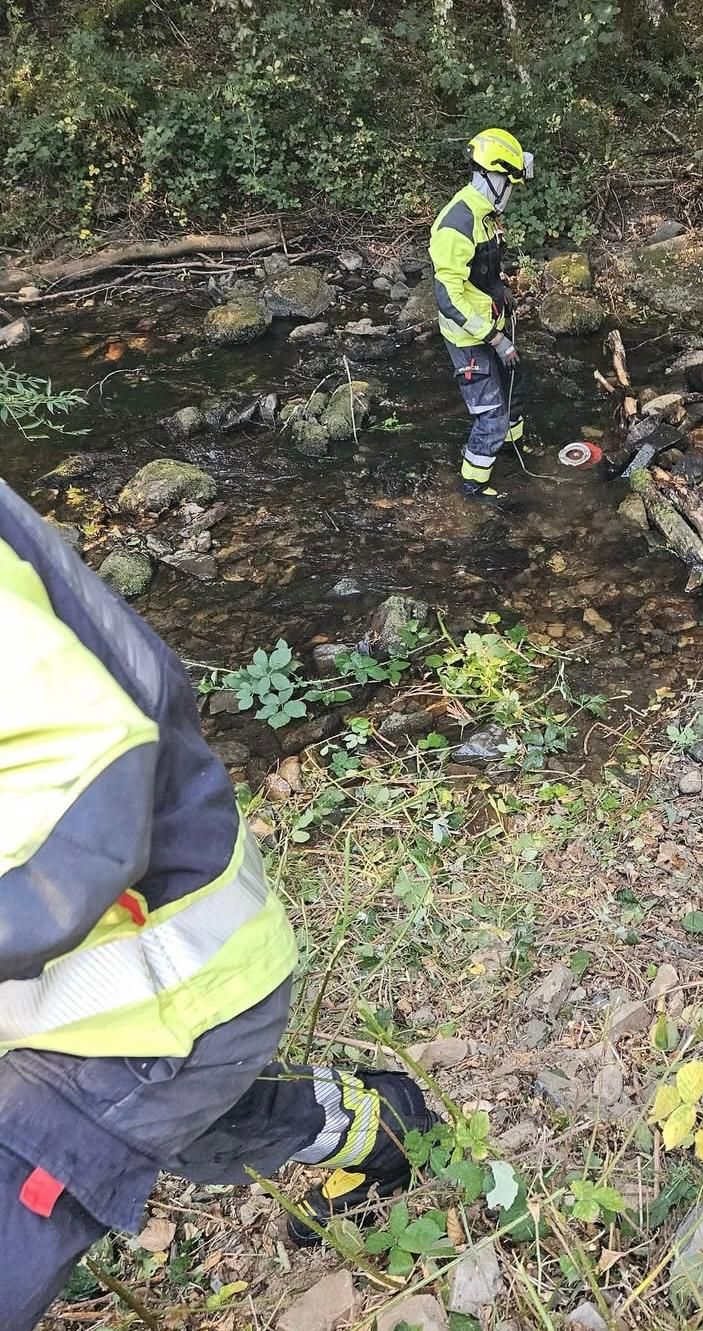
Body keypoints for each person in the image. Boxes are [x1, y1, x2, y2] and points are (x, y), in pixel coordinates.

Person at [0, 481, 435, 1330]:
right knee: (214, 1124)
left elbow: (90, 782)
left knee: (185, 1102)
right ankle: (389, 1124)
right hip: (151, 991)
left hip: (146, 1003)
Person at [430, 127, 534, 501]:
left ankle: (511, 454)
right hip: (470, 338)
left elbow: (483, 270)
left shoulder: (485, 214)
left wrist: (502, 287)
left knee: (514, 391)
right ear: (492, 177)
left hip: (493, 324)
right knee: (490, 416)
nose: (510, 192)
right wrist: (496, 338)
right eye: (509, 182)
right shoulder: (456, 223)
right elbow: (448, 299)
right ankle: (473, 490)